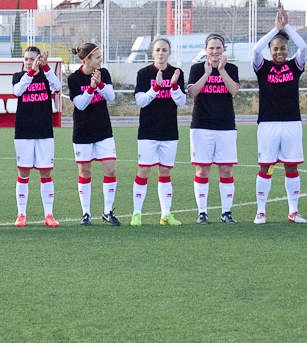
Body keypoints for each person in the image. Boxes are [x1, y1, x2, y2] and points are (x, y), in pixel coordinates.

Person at [251, 8, 307, 224]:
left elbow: (303, 46)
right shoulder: (262, 67)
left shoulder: (295, 66)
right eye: (275, 49)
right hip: (267, 123)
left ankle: (293, 211)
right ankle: (261, 211)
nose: (279, 52)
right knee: (265, 166)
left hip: (292, 122)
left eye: (283, 48)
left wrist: (287, 27)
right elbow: (256, 49)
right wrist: (275, 29)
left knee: (291, 166)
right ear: (270, 50)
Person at [130, 37, 187, 227]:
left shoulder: (177, 73)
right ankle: (136, 214)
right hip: (148, 130)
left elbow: (181, 102)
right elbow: (141, 101)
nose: (161, 53)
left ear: (169, 52)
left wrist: (174, 86)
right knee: (144, 170)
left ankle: (166, 215)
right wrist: (155, 87)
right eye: (157, 50)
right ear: (152, 53)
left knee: (165, 172)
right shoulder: (143, 73)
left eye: (164, 50)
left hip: (169, 131)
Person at [187, 33, 240, 224]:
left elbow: (234, 90)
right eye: (211, 48)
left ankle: (226, 212)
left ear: (224, 49)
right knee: (202, 170)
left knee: (226, 170)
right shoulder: (196, 68)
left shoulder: (231, 68)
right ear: (205, 50)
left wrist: (222, 70)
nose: (215, 51)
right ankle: (202, 212)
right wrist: (207, 74)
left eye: (218, 48)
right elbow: (192, 93)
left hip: (226, 126)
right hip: (202, 125)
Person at [67, 42, 119, 226]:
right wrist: (90, 87)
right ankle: (86, 213)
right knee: (85, 171)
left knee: (111, 169)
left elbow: (111, 97)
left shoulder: (103, 73)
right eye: (97, 57)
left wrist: (100, 83)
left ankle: (107, 211)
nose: (100, 60)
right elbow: (80, 104)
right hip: (82, 132)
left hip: (103, 130)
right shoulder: (74, 79)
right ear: (87, 59)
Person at [12, 46, 61, 227]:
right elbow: (18, 91)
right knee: (23, 172)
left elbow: (57, 87)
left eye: (32, 59)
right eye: (26, 59)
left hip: (44, 132)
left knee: (45, 172)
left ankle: (48, 214)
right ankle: (21, 214)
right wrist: (31, 72)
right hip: (24, 132)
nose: (28, 62)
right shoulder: (19, 77)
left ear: (39, 60)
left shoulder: (46, 76)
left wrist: (46, 68)